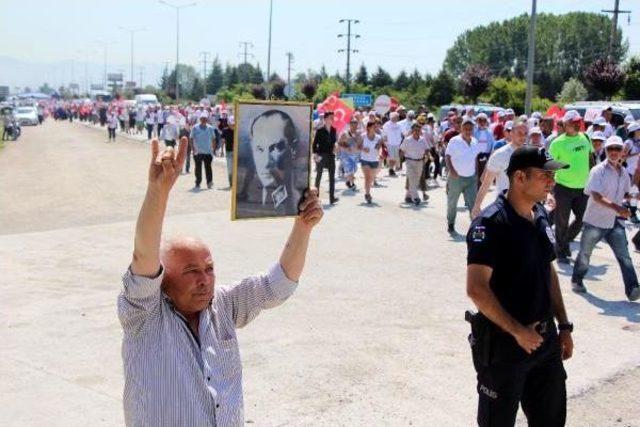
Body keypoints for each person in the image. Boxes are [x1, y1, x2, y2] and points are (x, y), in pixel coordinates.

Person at [118, 137, 323, 426]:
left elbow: (277, 286)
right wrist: (158, 191)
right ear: (163, 280)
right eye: (191, 271)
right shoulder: (144, 316)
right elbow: (143, 255)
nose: (204, 280)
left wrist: (303, 227)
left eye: (209, 268)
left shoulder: (223, 305)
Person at [466, 145, 573, 427]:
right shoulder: (490, 223)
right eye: (544, 175)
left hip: (545, 342)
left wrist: (563, 326)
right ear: (519, 178)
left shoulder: (539, 216)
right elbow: (476, 289)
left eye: (552, 175)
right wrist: (518, 332)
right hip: (505, 345)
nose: (552, 181)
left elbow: (547, 271)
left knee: (551, 420)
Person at [570, 136, 640, 301]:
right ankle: (577, 280)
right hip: (595, 221)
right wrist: (618, 208)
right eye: (610, 149)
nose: (614, 152)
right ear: (606, 151)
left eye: (617, 149)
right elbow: (596, 195)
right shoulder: (598, 170)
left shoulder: (623, 172)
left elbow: (624, 193)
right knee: (585, 254)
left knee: (624, 256)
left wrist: (633, 196)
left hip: (614, 221)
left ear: (623, 151)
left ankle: (633, 289)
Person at [548, 110, 593, 263]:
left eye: (578, 122)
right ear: (565, 125)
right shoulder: (557, 143)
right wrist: (548, 190)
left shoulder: (585, 137)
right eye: (573, 122)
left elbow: (591, 159)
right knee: (562, 221)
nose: (577, 124)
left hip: (583, 187)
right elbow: (549, 167)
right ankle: (560, 252)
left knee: (583, 219)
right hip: (563, 187)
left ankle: (563, 242)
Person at [472, 120, 528, 219]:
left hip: (526, 206)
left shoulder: (531, 154)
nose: (523, 136)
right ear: (511, 133)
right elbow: (486, 183)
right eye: (519, 133)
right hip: (505, 206)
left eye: (525, 133)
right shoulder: (500, 155)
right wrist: (477, 206)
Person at [445, 117, 480, 234]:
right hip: (456, 178)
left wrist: (476, 174)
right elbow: (447, 156)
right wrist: (452, 171)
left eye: (470, 129)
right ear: (461, 129)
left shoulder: (475, 142)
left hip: (471, 178)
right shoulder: (454, 141)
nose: (468, 131)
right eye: (465, 129)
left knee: (473, 203)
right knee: (452, 202)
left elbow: (475, 158)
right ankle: (451, 223)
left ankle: (475, 226)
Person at [313, 111, 339, 204]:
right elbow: (314, 144)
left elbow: (334, 141)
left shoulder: (334, 130)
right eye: (331, 117)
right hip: (321, 155)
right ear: (325, 119)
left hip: (331, 155)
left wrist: (335, 145)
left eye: (333, 117)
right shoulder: (320, 130)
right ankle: (315, 197)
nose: (332, 119)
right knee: (318, 176)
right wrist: (315, 155)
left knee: (332, 177)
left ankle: (332, 198)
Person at [401, 122, 429, 205]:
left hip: (420, 161)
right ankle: (416, 197)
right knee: (412, 178)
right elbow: (402, 150)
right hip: (410, 161)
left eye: (418, 130)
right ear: (412, 130)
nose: (417, 131)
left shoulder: (422, 139)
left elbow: (427, 149)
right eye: (415, 130)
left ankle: (408, 196)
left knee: (416, 180)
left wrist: (428, 155)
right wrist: (399, 163)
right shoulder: (407, 139)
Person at [190, 112, 216, 190]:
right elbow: (191, 138)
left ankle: (209, 182)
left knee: (208, 167)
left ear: (207, 119)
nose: (204, 120)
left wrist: (213, 149)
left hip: (208, 151)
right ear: (200, 119)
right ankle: (198, 182)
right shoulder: (195, 127)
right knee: (198, 168)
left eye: (205, 119)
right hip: (198, 151)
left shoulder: (210, 128)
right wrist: (192, 148)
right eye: (202, 119)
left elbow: (213, 139)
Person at [622, 122, 640, 223]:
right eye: (639, 130)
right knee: (634, 194)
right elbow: (622, 157)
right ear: (634, 131)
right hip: (630, 172)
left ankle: (625, 204)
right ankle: (632, 214)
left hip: (638, 171)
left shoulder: (638, 141)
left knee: (635, 194)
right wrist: (636, 154)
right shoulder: (629, 142)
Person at [360, 121, 382, 204]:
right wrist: (363, 149)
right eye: (374, 127)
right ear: (369, 128)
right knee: (367, 177)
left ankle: (367, 190)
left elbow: (379, 147)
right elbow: (358, 145)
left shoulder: (378, 137)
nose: (375, 128)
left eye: (376, 127)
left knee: (371, 178)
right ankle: (367, 194)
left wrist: (379, 151)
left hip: (374, 159)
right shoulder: (363, 136)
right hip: (365, 159)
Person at [338, 118, 363, 191]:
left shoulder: (359, 134)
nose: (354, 127)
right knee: (350, 170)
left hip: (355, 155)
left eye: (355, 125)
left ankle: (348, 181)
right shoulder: (345, 133)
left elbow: (361, 144)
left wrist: (360, 147)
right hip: (346, 155)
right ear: (349, 125)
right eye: (352, 125)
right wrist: (346, 146)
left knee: (354, 170)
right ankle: (352, 184)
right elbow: (339, 143)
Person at [474, 113, 496, 187]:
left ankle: (481, 189)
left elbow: (493, 144)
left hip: (486, 155)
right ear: (477, 121)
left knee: (483, 173)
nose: (482, 122)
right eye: (480, 120)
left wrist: (491, 154)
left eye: (484, 120)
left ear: (486, 121)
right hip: (475, 155)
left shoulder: (490, 132)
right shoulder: (474, 131)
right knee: (475, 173)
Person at [382, 112, 403, 176]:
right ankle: (391, 169)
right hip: (390, 143)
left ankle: (391, 169)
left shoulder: (398, 125)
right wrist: (385, 142)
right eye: (396, 117)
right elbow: (384, 133)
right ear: (392, 117)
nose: (397, 118)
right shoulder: (387, 124)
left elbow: (401, 133)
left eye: (397, 117)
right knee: (392, 157)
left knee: (395, 157)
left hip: (397, 144)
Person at [220, 116, 235, 187]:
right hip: (229, 151)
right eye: (231, 124)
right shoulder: (225, 130)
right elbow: (223, 141)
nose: (233, 126)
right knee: (230, 169)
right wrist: (222, 151)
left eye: (234, 124)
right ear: (228, 124)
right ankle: (231, 183)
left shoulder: (237, 130)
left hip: (237, 152)